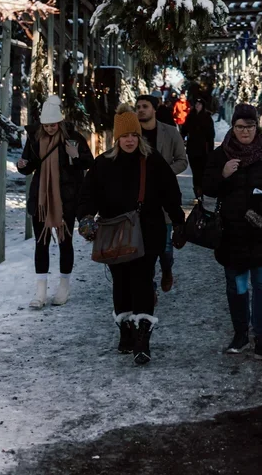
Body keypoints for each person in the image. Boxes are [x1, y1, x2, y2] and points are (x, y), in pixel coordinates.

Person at [77, 108, 185, 365]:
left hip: (148, 234)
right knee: (121, 283)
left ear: (139, 136)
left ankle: (142, 340)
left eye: (133, 135)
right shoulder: (103, 164)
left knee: (143, 283)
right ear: (117, 138)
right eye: (124, 136)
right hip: (114, 235)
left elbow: (171, 193)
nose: (129, 140)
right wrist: (85, 219)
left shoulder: (153, 161)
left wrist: (179, 223)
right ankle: (126, 332)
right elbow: (87, 195)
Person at [203, 103, 262, 362]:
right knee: (238, 286)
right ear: (233, 127)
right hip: (232, 233)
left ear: (256, 126)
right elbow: (207, 188)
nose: (245, 131)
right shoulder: (221, 155)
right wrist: (222, 174)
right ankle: (240, 334)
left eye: (250, 126)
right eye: (240, 127)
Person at [17, 94, 93, 309]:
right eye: (47, 125)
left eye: (54, 125)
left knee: (64, 242)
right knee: (41, 244)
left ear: (60, 122)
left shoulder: (73, 138)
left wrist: (75, 155)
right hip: (41, 200)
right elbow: (29, 167)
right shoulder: (33, 139)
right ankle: (40, 291)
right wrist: (22, 165)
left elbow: (89, 163)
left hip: (66, 199)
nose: (50, 128)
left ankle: (63, 286)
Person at [134, 94, 188, 292]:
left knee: (164, 249)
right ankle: (148, 287)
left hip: (163, 198)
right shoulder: (132, 133)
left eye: (145, 106)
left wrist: (164, 173)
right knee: (141, 251)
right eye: (138, 106)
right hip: (138, 199)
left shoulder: (170, 132)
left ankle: (167, 270)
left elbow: (182, 160)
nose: (140, 110)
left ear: (154, 109)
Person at [182, 97, 216, 198]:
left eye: (199, 104)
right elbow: (184, 129)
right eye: (196, 104)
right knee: (195, 171)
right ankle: (197, 190)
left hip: (203, 149)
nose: (197, 106)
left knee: (202, 171)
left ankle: (202, 189)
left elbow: (211, 135)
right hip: (192, 148)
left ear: (203, 106)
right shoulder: (190, 117)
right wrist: (183, 138)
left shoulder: (207, 117)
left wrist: (210, 150)